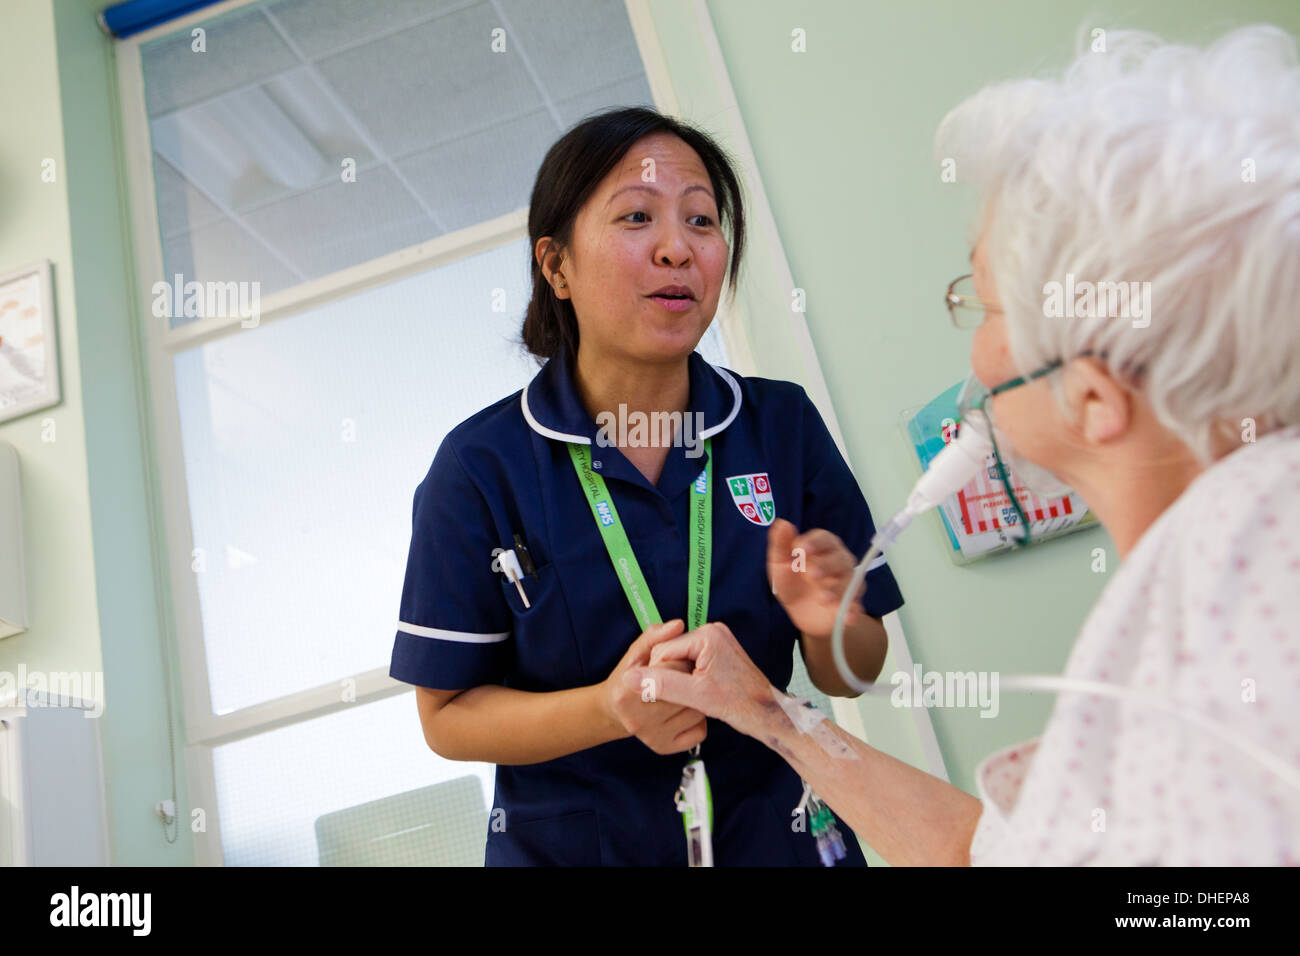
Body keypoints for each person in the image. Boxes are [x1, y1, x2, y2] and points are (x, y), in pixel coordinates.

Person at [631, 25, 1300, 866]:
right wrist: (768, 713)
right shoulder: (1218, 550)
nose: (974, 354)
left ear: (1093, 394)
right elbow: (986, 852)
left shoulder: (1254, 555)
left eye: (984, 307)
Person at [388, 107, 905, 865]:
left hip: (777, 837)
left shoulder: (780, 424)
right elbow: (448, 717)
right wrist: (610, 708)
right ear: (556, 266)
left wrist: (831, 621)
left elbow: (853, 671)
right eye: (637, 217)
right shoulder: (479, 468)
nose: (677, 249)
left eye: (701, 220)